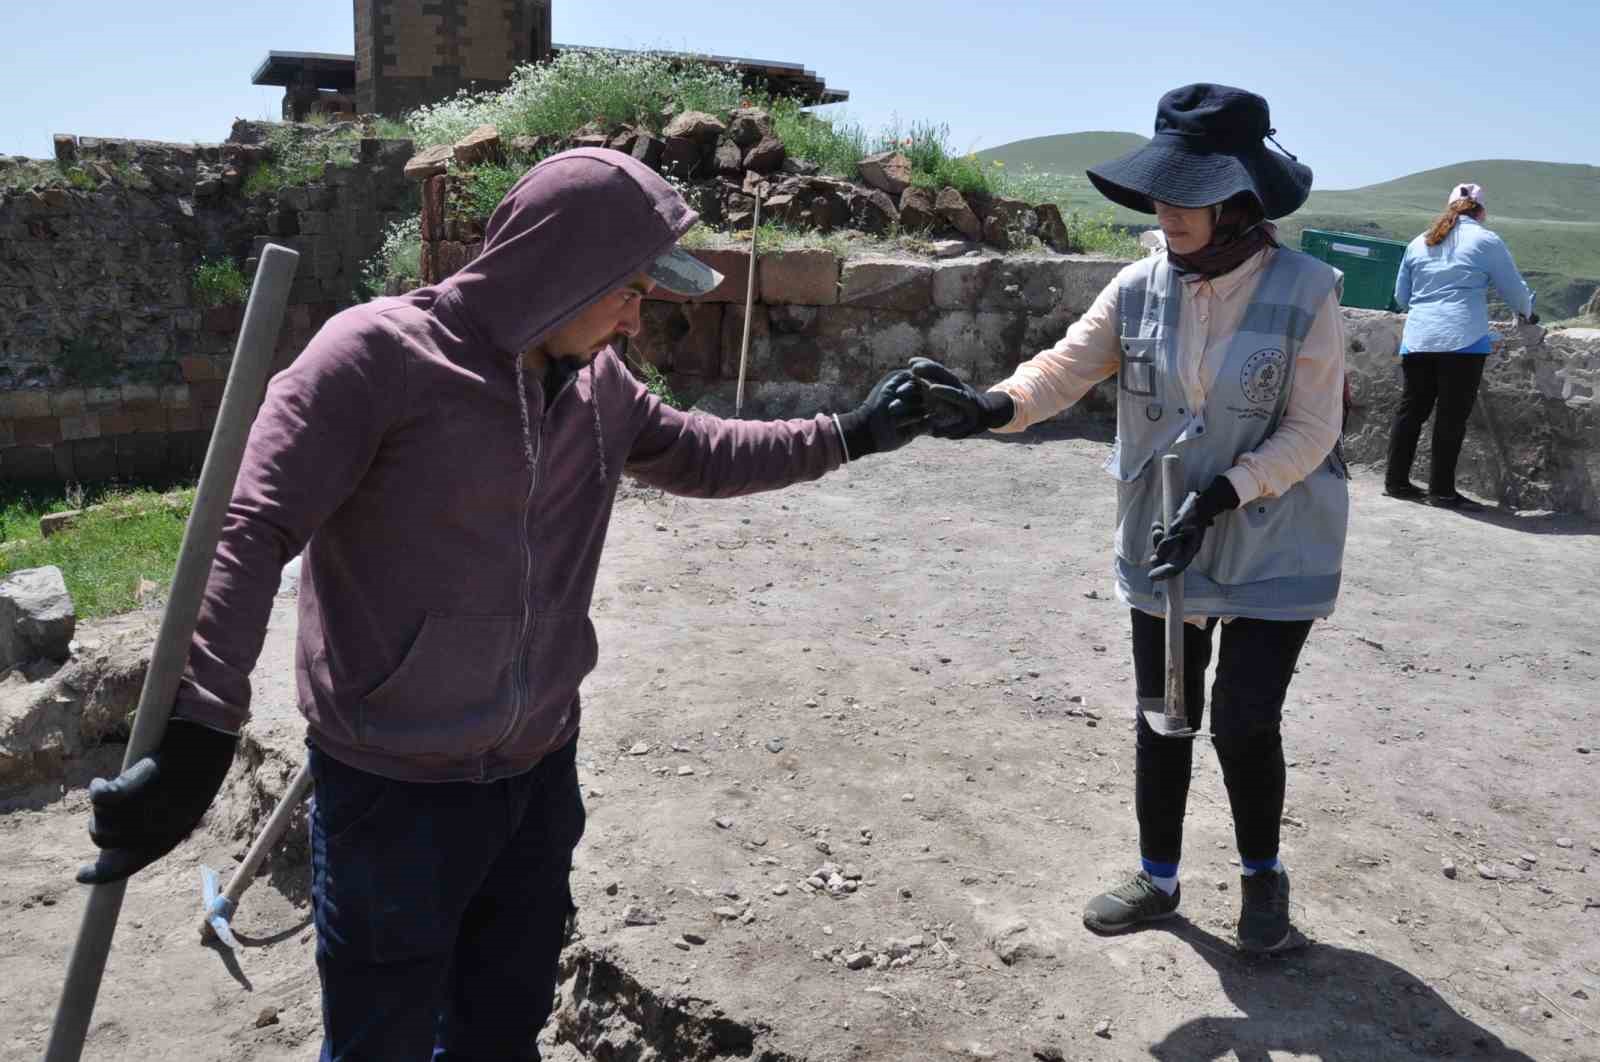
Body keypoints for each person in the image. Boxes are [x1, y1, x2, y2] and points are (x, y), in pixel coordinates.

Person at [75, 148, 925, 1060]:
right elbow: (251, 525)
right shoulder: (376, 358)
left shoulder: (598, 386)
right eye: (628, 291)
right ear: (561, 270)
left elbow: (703, 452)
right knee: (380, 1044)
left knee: (499, 1035)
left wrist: (856, 432)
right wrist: (200, 729)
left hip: (535, 778)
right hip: (392, 796)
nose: (635, 320)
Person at [910, 84, 1348, 954]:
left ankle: (1263, 879)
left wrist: (1224, 492)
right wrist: (992, 407)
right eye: (1162, 188)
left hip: (1273, 533)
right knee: (1164, 712)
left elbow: (1314, 427)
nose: (1167, 208)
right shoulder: (1140, 285)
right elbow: (1065, 368)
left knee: (1244, 719)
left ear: (1238, 200)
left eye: (1189, 192)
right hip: (1162, 536)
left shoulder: (1308, 291)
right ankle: (1158, 877)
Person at [1384, 182, 1536, 509]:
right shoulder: (1486, 240)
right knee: (1451, 417)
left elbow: (1402, 297)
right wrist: (1528, 312)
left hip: (1419, 337)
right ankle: (1441, 491)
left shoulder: (1418, 242)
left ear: (1449, 206)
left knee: (1411, 411)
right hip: (1463, 340)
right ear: (1480, 211)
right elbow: (1514, 290)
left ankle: (1396, 483)